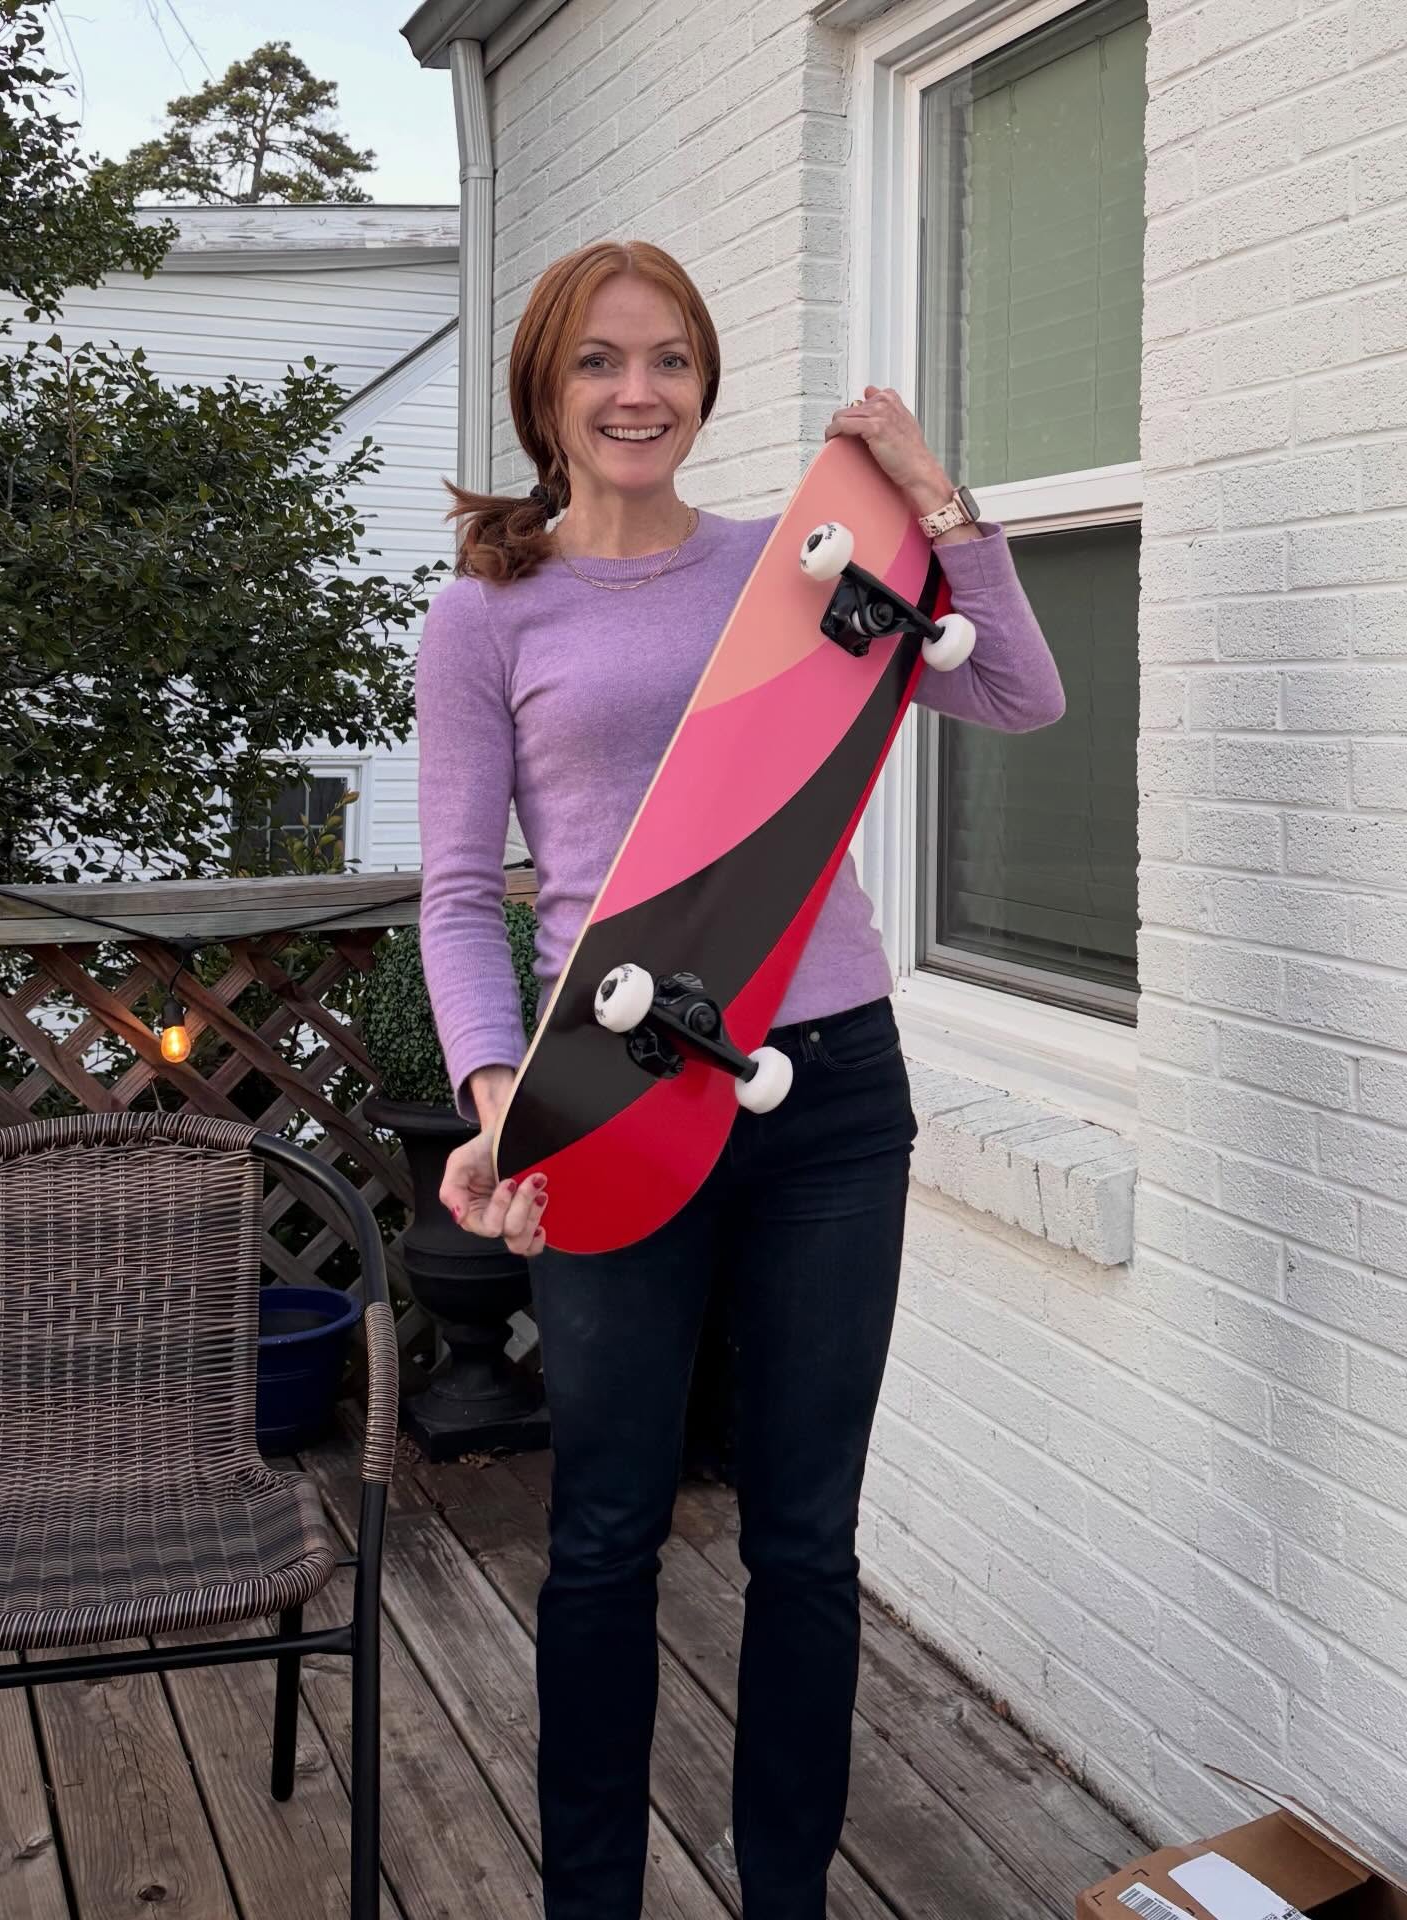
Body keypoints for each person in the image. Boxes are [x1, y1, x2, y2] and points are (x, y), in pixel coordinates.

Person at [417, 239, 1064, 1920]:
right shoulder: (492, 611)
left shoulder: (803, 568)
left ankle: (787, 1894)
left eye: (672, 362)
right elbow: (455, 892)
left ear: (705, 385)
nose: (640, 394)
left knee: (805, 1539)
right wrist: (497, 1092)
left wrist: (940, 501)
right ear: (546, 391)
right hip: (614, 1092)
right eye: (600, 364)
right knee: (607, 1531)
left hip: (833, 1088)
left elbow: (1016, 689)